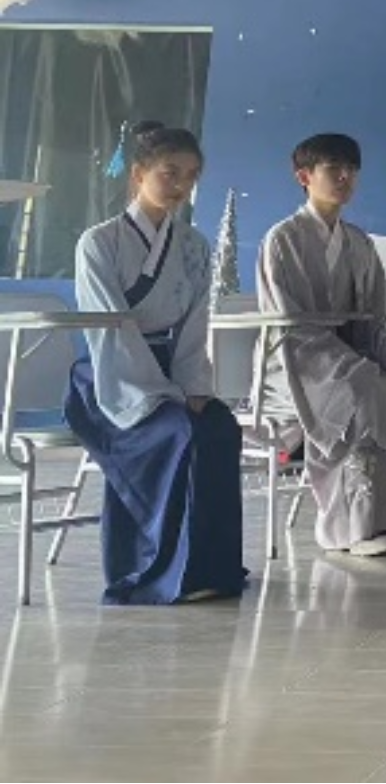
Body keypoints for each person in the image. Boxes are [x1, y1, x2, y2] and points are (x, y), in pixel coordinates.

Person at [65, 122, 247, 605]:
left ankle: (211, 568)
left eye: (190, 175)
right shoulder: (99, 243)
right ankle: (150, 572)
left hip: (173, 370)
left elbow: (194, 323)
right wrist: (160, 394)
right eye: (170, 172)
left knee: (219, 426)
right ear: (138, 173)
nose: (180, 185)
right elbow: (111, 327)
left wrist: (193, 386)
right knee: (176, 431)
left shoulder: (193, 245)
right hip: (111, 377)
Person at [256, 133, 386, 557]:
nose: (345, 177)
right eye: (334, 169)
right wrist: (352, 365)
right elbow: (290, 324)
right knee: (363, 390)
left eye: (352, 170)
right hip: (297, 363)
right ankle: (351, 527)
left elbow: (380, 313)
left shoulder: (360, 244)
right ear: (304, 177)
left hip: (350, 358)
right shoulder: (282, 240)